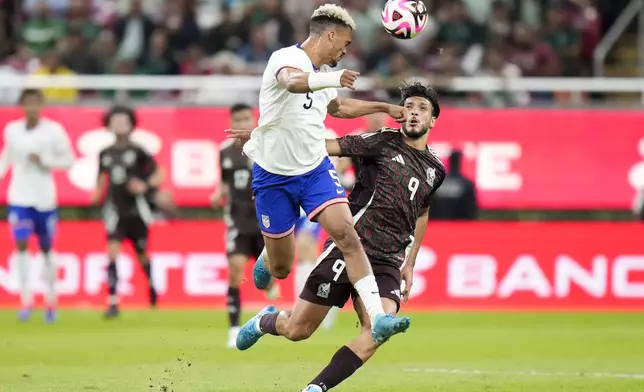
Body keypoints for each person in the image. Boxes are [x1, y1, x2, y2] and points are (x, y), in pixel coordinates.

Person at [232, 82, 445, 392]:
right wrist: (269, 137)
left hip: (389, 259)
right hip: (350, 248)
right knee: (298, 330)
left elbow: (422, 212)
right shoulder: (382, 142)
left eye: (422, 109)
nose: (414, 113)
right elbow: (326, 146)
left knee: (378, 331)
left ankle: (316, 388)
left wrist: (410, 263)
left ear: (433, 120)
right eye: (409, 106)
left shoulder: (436, 169)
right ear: (401, 114)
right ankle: (267, 320)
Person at [239, 3, 410, 343]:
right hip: (273, 176)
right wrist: (331, 78)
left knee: (347, 234)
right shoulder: (285, 59)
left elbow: (339, 107)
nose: (345, 52)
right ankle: (267, 302)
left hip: (314, 169)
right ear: (330, 35)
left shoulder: (321, 77)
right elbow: (292, 83)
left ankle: (378, 318)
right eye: (344, 44)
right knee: (281, 269)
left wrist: (384, 107)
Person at [0, 89, 74, 323]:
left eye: (35, 103)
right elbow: (6, 157)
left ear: (41, 105)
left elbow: (69, 160)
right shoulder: (12, 130)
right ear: (21, 105)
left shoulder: (54, 131)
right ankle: (26, 298)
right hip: (19, 197)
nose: (32, 107)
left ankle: (51, 299)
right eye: (27, 103)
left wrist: (45, 161)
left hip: (44, 198)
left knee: (46, 248)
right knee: (21, 244)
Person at [211, 103, 279, 348]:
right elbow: (224, 182)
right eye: (237, 119)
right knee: (235, 270)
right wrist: (217, 193)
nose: (242, 123)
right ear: (231, 122)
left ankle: (270, 285)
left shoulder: (265, 147)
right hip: (237, 220)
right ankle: (233, 327)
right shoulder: (225, 152)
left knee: (269, 270)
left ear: (254, 119)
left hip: (265, 220)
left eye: (246, 118)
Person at [90, 105, 163, 319]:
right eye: (116, 120)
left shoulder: (138, 151)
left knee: (141, 253)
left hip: (137, 211)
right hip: (115, 210)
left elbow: (159, 174)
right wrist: (95, 195)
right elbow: (101, 179)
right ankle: (112, 301)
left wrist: (144, 185)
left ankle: (151, 287)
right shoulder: (105, 153)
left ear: (131, 124)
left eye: (124, 121)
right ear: (109, 124)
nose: (120, 124)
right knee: (112, 251)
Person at [430, 149, 478, 220]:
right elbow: (471, 209)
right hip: (459, 226)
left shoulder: (438, 182)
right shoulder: (466, 184)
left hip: (438, 225)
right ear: (460, 162)